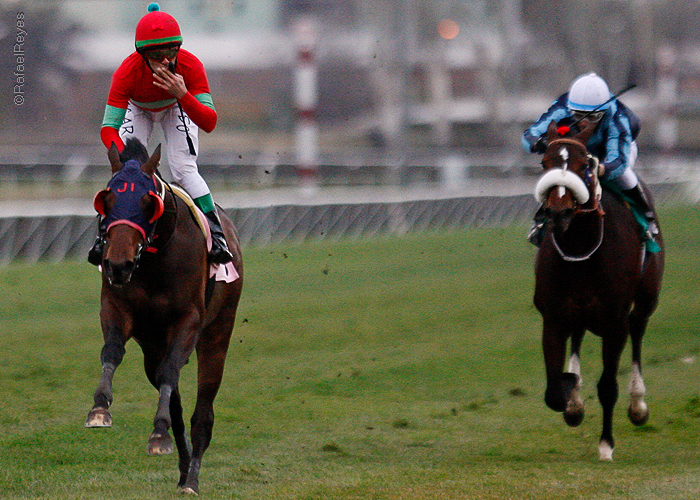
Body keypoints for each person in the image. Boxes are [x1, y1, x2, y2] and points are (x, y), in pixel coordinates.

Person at [88, 2, 233, 265]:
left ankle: (217, 234)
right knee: (127, 172)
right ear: (143, 55)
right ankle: (101, 238)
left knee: (183, 169)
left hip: (177, 105)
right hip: (138, 108)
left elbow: (209, 122)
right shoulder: (126, 72)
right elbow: (108, 128)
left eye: (172, 51)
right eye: (157, 54)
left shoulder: (191, 65)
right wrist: (123, 159)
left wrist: (182, 94)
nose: (167, 60)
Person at [522, 72, 659, 246]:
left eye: (593, 117)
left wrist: (601, 168)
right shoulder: (562, 108)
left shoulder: (618, 118)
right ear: (571, 109)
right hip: (577, 148)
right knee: (559, 176)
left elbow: (618, 160)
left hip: (614, 149)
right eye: (578, 115)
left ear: (603, 112)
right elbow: (530, 134)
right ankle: (540, 221)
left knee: (624, 176)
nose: (584, 123)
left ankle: (647, 217)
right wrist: (539, 143)